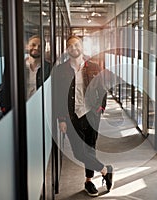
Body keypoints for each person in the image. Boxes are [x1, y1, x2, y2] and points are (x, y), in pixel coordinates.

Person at [52, 35, 113, 197]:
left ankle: (88, 181)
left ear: (82, 47)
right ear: (67, 49)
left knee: (90, 148)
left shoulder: (93, 66)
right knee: (79, 152)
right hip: (71, 116)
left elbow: (102, 88)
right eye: (70, 46)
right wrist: (62, 119)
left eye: (76, 45)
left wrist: (101, 107)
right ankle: (105, 170)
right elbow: (58, 96)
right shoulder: (60, 70)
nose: (74, 48)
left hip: (92, 114)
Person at [0, 35, 50, 113]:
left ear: (44, 49)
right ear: (27, 47)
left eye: (40, 46)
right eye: (33, 45)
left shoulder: (50, 69)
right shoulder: (15, 67)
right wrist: (4, 109)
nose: (36, 48)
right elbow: (5, 89)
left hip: (42, 112)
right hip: (20, 112)